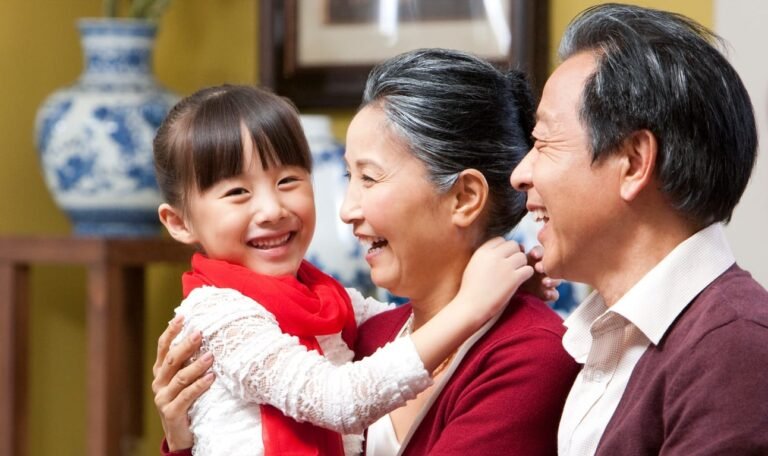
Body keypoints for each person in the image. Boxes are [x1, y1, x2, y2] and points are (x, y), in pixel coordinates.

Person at [152, 49, 579, 455]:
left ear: (464, 197)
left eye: (369, 179)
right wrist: (184, 438)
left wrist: (509, 284)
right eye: (346, 176)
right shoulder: (372, 338)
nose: (345, 210)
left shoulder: (530, 355)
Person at [510, 4, 768, 455]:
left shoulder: (734, 347)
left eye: (543, 142)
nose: (520, 173)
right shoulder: (606, 339)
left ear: (633, 162)